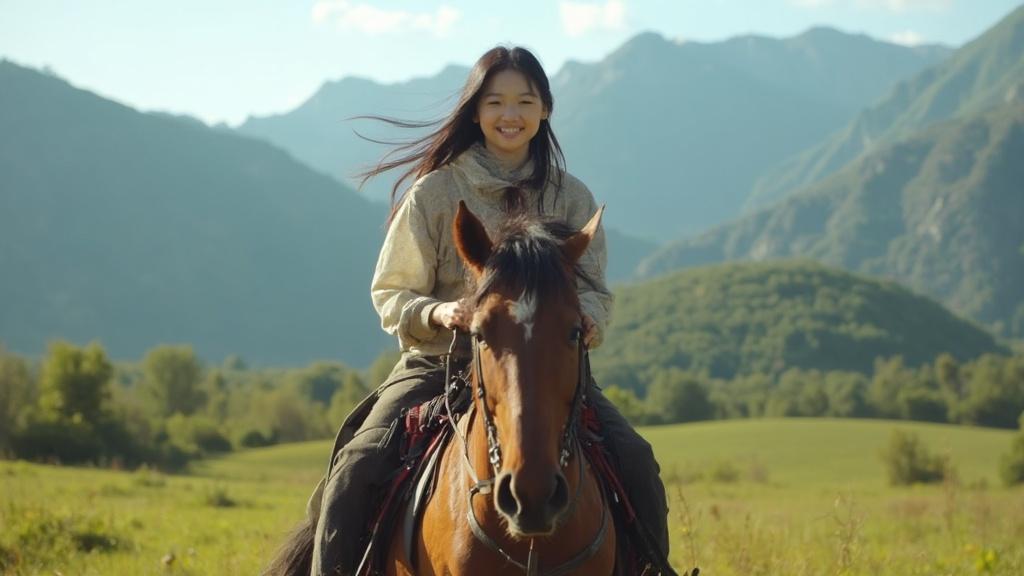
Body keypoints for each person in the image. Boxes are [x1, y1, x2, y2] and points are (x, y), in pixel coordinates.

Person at [311, 45, 672, 576]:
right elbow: (391, 292)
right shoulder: (434, 193)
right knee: (356, 467)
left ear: (544, 110)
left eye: (525, 102)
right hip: (438, 366)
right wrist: (440, 314)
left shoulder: (572, 199)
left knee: (636, 459)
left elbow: (594, 288)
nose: (510, 115)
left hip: (548, 369)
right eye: (496, 101)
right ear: (475, 111)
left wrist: (588, 317)